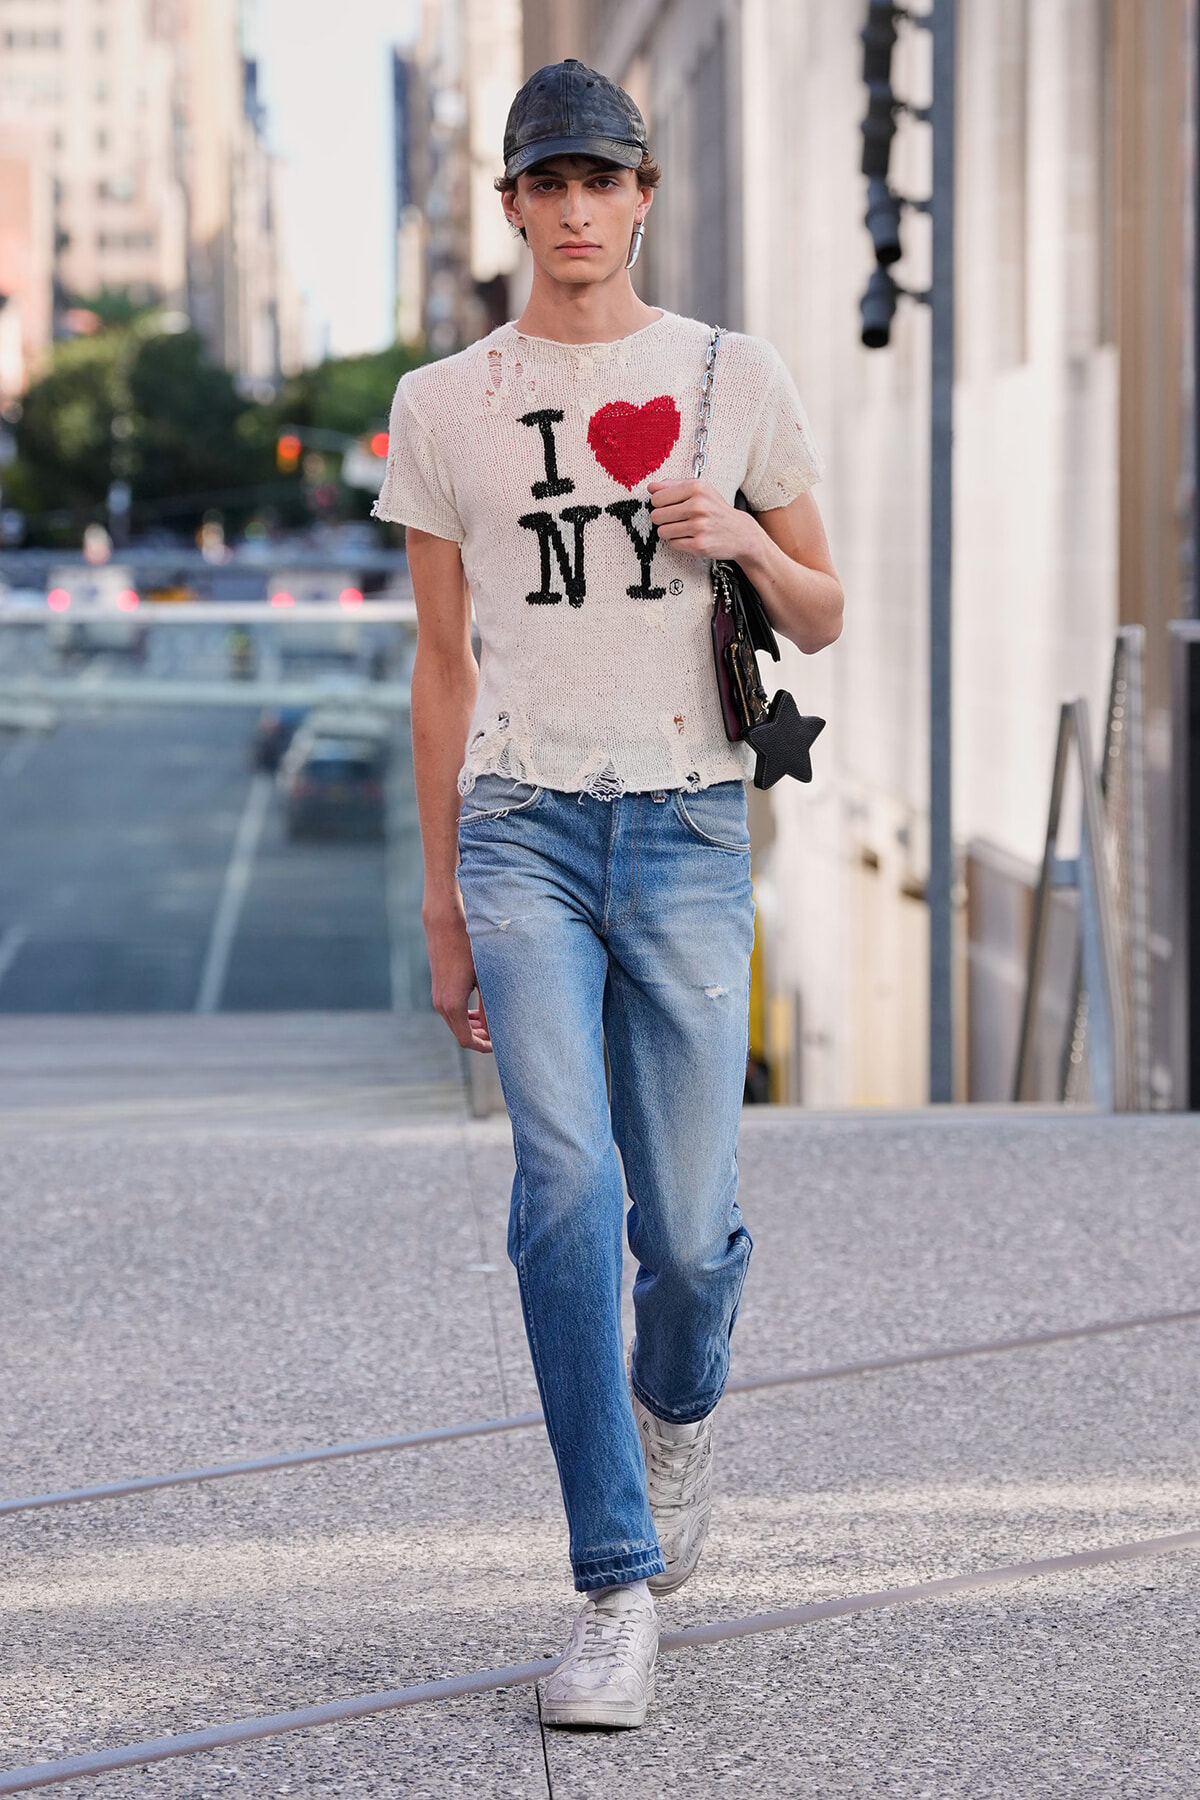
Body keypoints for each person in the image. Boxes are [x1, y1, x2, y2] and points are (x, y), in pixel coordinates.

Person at [374, 58, 843, 1730]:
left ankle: (680, 1409)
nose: (574, 213)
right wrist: (439, 909)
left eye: (602, 183)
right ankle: (610, 1582)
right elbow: (440, 669)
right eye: (544, 186)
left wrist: (740, 541)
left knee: (693, 1241)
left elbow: (827, 605)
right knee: (565, 1189)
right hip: (520, 828)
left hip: (690, 826)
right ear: (511, 207)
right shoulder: (443, 402)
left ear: (643, 197)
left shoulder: (730, 377)